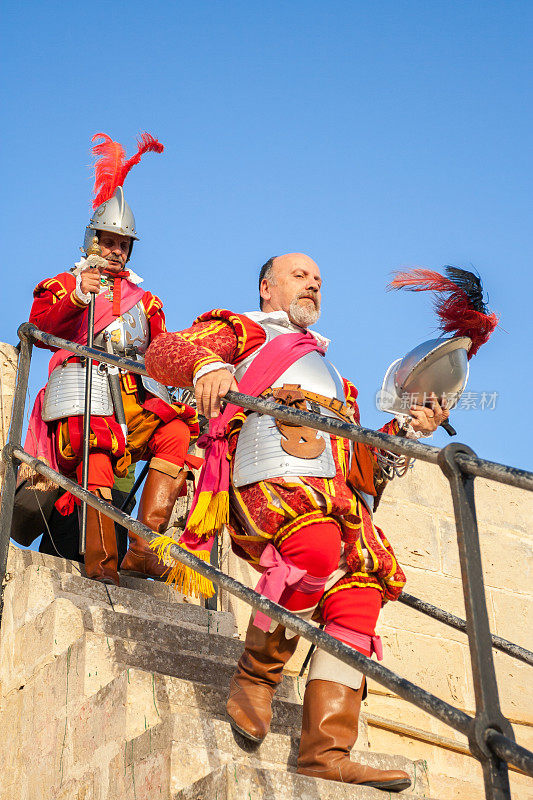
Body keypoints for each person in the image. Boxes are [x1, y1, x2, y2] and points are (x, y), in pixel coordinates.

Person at [144, 253, 448, 792]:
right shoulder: (240, 331)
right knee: (315, 548)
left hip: (334, 498)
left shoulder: (336, 377)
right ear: (267, 287)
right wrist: (207, 366)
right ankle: (257, 677)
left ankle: (325, 751)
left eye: (319, 281)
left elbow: (361, 470)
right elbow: (165, 351)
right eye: (300, 276)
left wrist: (403, 430)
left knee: (363, 587)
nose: (313, 285)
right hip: (270, 484)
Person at [24, 133, 199, 586]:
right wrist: (81, 295)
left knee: (178, 432)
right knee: (95, 447)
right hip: (83, 389)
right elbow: (41, 329)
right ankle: (100, 564)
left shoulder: (148, 300)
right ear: (92, 240)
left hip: (135, 397)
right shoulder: (65, 284)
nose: (116, 250)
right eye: (108, 240)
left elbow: (158, 351)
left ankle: (143, 549)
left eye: (123, 244)